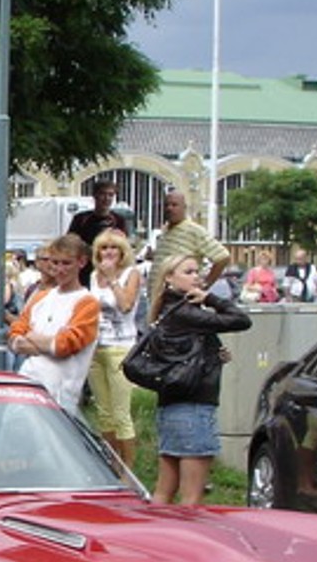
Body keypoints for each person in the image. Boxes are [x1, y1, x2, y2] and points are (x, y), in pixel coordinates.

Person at [145, 254, 250, 504]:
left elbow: (183, 353)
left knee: (164, 488)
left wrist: (214, 355)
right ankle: (179, 540)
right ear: (169, 278)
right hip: (194, 405)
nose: (198, 277)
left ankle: (154, 535)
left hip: (171, 404)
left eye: (198, 271)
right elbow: (241, 320)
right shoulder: (186, 312)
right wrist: (211, 298)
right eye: (189, 272)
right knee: (191, 496)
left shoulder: (166, 309)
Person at [7, 234, 100, 415]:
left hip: (59, 395)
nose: (59, 269)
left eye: (66, 263)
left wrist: (31, 338)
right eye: (55, 263)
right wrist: (30, 342)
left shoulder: (87, 303)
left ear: (81, 262)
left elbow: (64, 346)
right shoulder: (41, 297)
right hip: (28, 383)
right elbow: (15, 332)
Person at [85, 229, 143, 465]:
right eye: (103, 248)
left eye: (113, 248)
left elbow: (126, 305)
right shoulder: (92, 276)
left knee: (121, 414)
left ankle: (127, 469)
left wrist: (112, 279)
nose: (108, 253)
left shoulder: (132, 274)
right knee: (104, 412)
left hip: (121, 347)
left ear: (122, 252)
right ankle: (111, 463)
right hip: (96, 347)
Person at [150, 188, 231, 300]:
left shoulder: (194, 230)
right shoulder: (165, 230)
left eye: (174, 205)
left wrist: (205, 284)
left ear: (184, 208)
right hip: (158, 298)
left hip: (179, 299)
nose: (169, 208)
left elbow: (223, 257)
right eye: (167, 205)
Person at [65, 177, 125, 283]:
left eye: (110, 195)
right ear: (95, 195)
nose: (106, 198)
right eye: (103, 194)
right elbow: (70, 243)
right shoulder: (81, 219)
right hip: (85, 270)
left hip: (108, 270)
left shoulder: (118, 220)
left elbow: (123, 246)